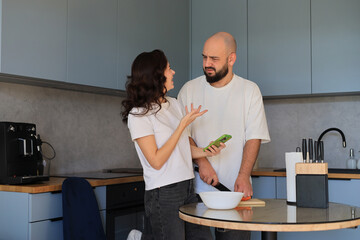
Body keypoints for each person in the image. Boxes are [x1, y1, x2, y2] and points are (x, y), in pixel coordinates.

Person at [177, 32, 271, 240]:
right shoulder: (189, 90)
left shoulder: (249, 91)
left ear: (231, 59)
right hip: (195, 193)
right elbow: (182, 134)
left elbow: (254, 136)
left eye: (214, 59)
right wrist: (202, 162)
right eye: (204, 57)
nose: (207, 63)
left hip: (234, 192)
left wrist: (244, 175)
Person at [122, 49, 223, 240]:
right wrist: (182, 125)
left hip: (187, 186)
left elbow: (181, 149)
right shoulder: (139, 114)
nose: (173, 72)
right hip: (163, 193)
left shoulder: (174, 104)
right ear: (157, 75)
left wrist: (206, 151)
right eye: (169, 68)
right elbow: (156, 161)